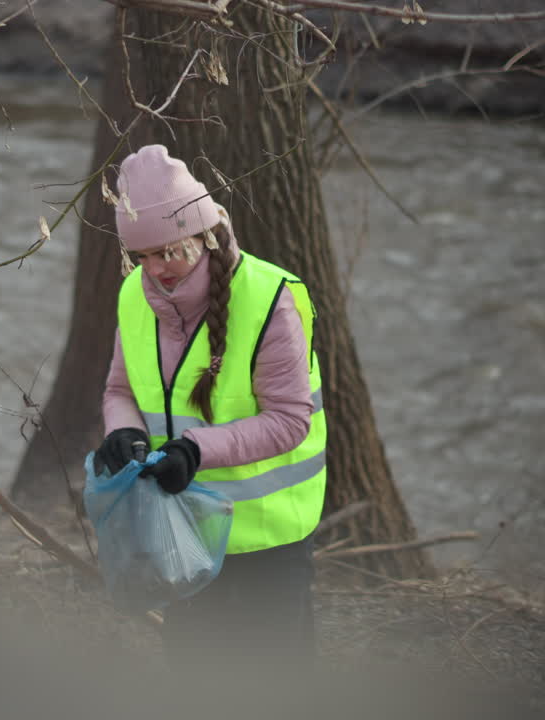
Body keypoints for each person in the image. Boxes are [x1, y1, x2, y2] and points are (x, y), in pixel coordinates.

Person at [92, 144, 327, 668]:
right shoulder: (135, 294)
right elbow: (120, 391)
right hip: (182, 528)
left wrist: (194, 450)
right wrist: (123, 434)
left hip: (269, 541)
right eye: (145, 255)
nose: (158, 268)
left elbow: (290, 420)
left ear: (203, 234)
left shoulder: (270, 299)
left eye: (171, 250)